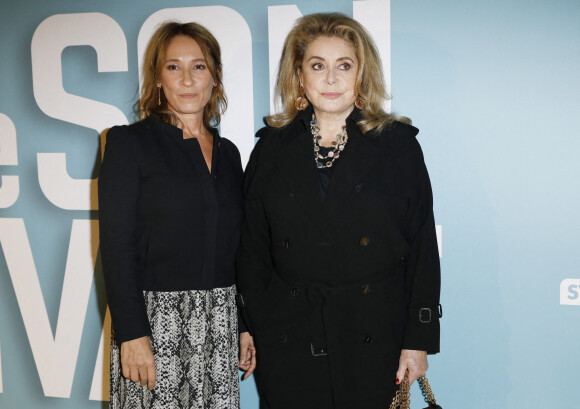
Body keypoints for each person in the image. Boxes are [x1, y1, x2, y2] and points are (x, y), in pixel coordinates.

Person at [236, 12, 441, 409]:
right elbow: (251, 249)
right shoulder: (271, 148)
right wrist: (248, 325)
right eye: (318, 65)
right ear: (299, 76)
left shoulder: (397, 146)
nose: (330, 78)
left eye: (343, 65)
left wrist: (417, 341)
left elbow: (421, 250)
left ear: (361, 75)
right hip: (288, 334)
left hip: (371, 331)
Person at [99, 21, 253, 409]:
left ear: (214, 76)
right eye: (173, 67)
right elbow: (116, 246)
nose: (187, 79)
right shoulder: (128, 143)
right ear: (157, 78)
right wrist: (132, 335)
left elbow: (237, 250)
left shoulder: (230, 153)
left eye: (198, 66)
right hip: (154, 326)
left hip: (220, 325)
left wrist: (245, 325)